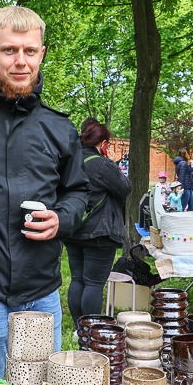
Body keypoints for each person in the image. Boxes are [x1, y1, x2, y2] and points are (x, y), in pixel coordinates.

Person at [0, 6, 89, 377]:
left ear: (41, 53)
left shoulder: (59, 127)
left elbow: (78, 192)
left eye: (29, 51)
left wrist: (61, 219)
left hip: (43, 292)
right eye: (9, 50)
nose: (21, 61)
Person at [64, 123, 132, 329]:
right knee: (93, 283)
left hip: (73, 228)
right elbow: (125, 188)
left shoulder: (70, 162)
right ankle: (91, 328)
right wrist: (113, 162)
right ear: (103, 144)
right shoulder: (102, 165)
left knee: (77, 280)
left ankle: (79, 328)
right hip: (99, 233)